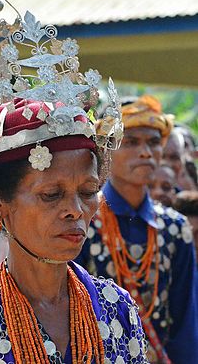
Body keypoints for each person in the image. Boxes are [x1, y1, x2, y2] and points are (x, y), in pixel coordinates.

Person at [0, 1, 148, 364]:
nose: (75, 211)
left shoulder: (116, 309)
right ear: (1, 208)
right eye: (51, 195)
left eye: (88, 193)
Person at [76, 95, 198, 363]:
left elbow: (185, 325)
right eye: (130, 142)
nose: (146, 152)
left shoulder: (176, 228)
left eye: (154, 142)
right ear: (105, 150)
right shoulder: (81, 220)